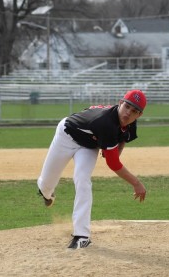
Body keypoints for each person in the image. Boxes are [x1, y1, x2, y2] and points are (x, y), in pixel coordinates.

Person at [37, 89, 147, 249]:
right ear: (120, 103)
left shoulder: (129, 122)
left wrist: (116, 149)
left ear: (139, 115)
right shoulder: (106, 122)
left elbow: (123, 138)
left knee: (82, 179)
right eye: (127, 106)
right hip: (66, 136)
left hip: (88, 146)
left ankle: (82, 235)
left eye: (134, 111)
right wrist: (136, 183)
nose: (129, 113)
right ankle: (46, 194)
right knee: (46, 185)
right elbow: (113, 164)